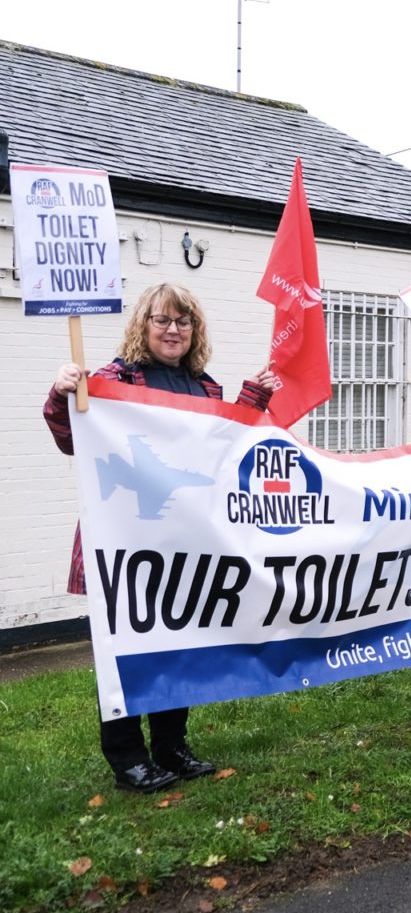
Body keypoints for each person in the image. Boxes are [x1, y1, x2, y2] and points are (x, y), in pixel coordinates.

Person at [44, 283, 275, 792]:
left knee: (180, 644)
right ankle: (127, 757)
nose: (173, 330)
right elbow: (69, 438)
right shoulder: (108, 379)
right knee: (124, 650)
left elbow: (225, 452)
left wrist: (253, 398)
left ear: (195, 331)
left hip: (183, 543)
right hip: (124, 543)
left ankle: (171, 746)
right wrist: (61, 393)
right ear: (142, 325)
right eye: (162, 320)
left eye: (184, 321)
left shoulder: (205, 387)